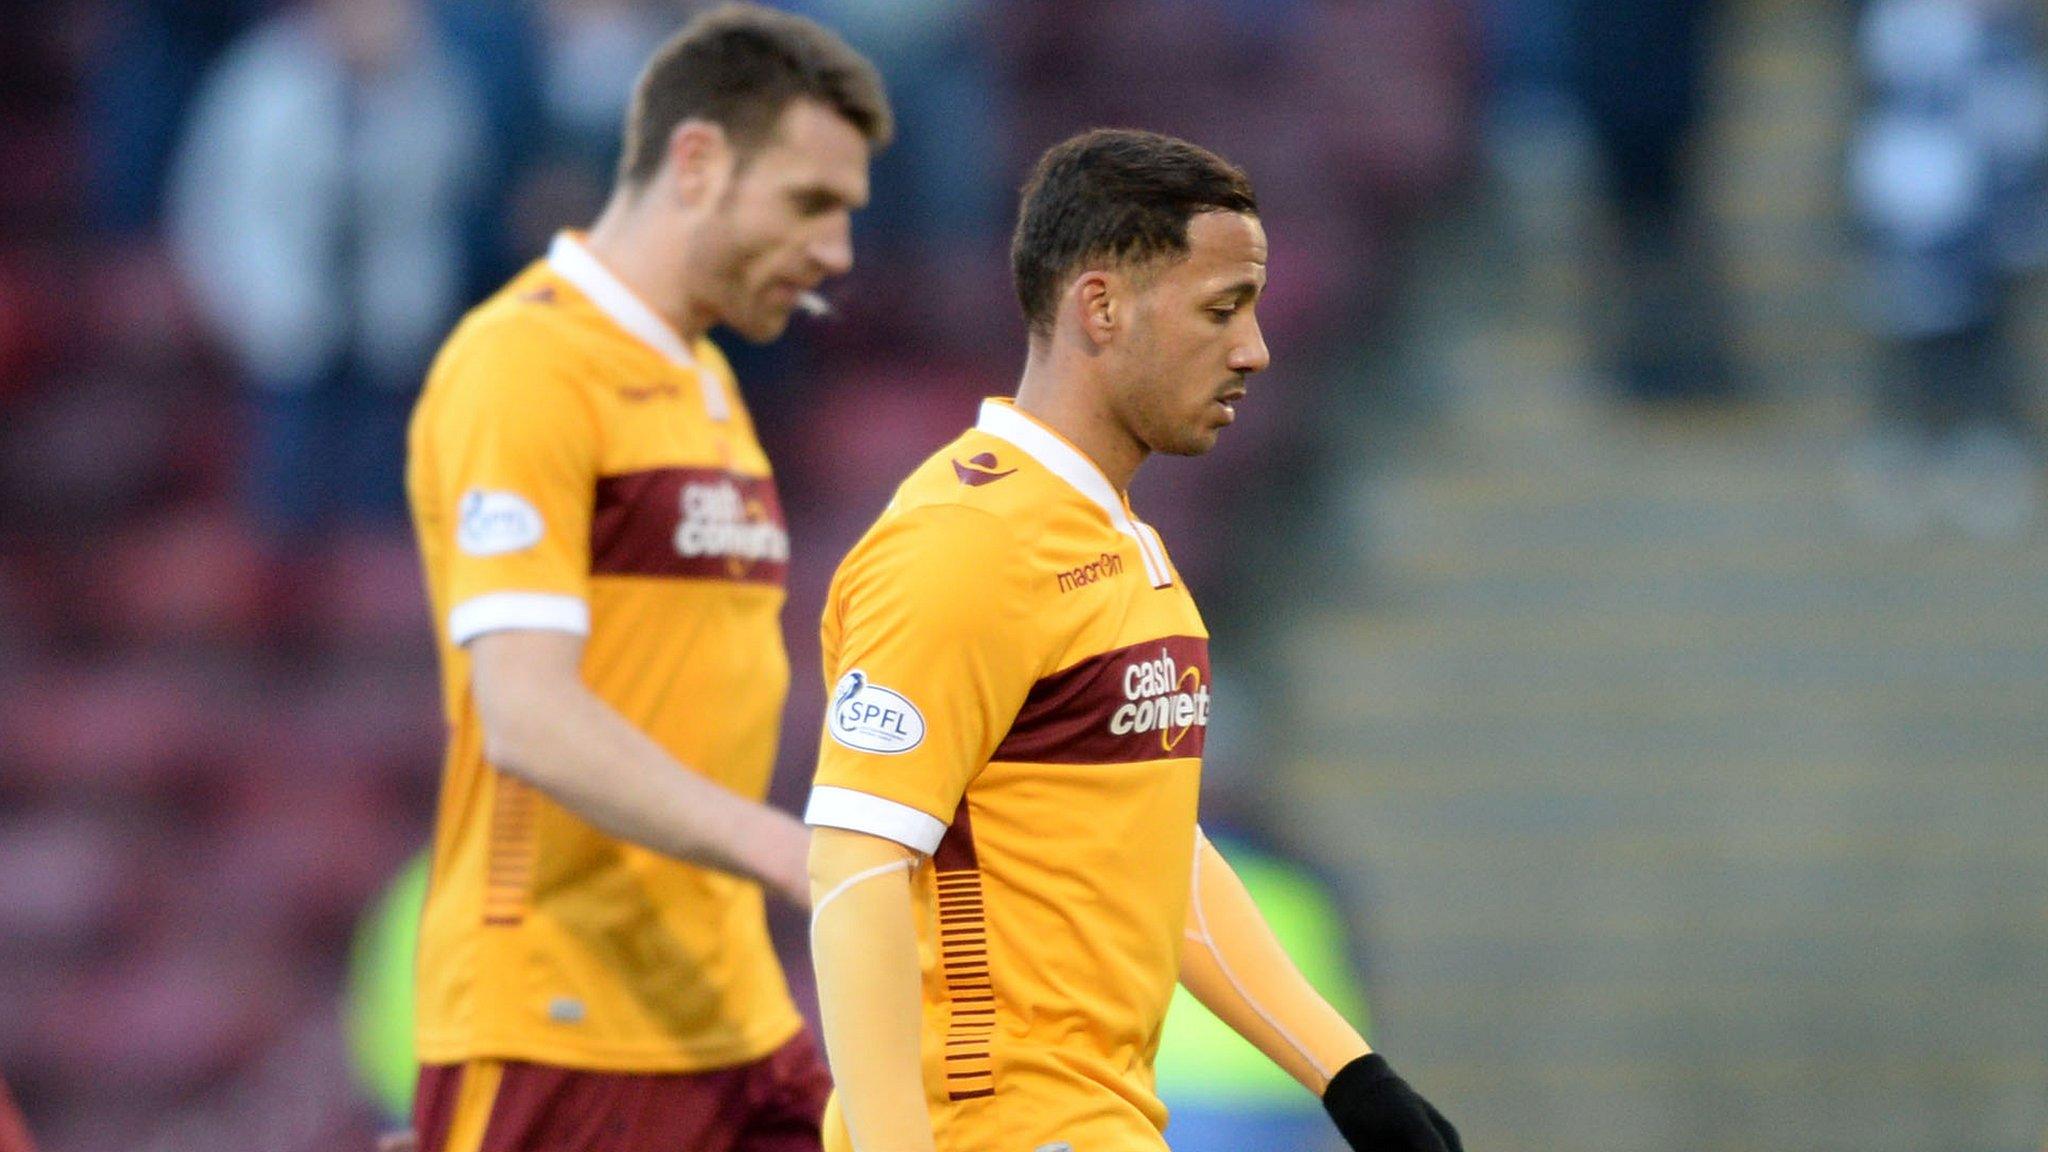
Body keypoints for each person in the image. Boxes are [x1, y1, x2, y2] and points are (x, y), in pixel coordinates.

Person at [802, 128, 1460, 1152]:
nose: (1253, 348)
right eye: (1218, 310)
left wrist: (1349, 1078)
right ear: (1100, 309)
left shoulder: (1122, 549)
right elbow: (853, 870)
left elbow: (1150, 852)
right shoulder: (961, 547)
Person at [403, 6, 890, 1151]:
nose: (837, 254)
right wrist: (785, 850)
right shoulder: (524, 365)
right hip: (557, 1024)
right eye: (810, 202)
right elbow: (524, 714)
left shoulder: (710, 385)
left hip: (726, 1018)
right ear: (697, 162)